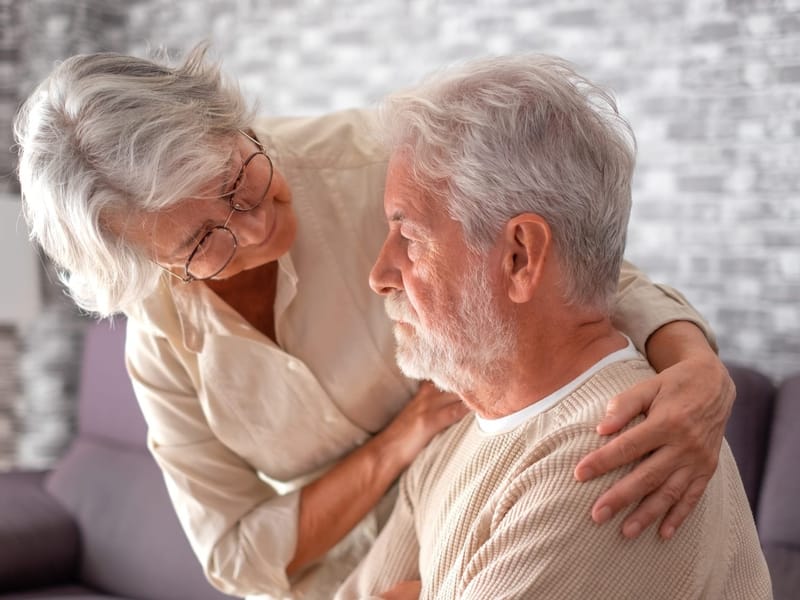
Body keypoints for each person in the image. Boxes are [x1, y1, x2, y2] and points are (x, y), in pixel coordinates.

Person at [14, 45, 735, 599]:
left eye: (238, 180)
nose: (258, 224)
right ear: (154, 266)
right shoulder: (161, 337)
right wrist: (403, 439)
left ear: (231, 121)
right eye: (203, 241)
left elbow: (568, 268)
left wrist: (696, 368)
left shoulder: (374, 165)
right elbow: (234, 556)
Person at [335, 54, 771, 600]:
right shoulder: (458, 433)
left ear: (520, 256)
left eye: (411, 238)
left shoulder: (615, 455)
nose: (380, 275)